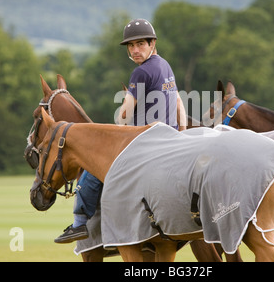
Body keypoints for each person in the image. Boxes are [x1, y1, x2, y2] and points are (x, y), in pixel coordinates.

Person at [54, 18, 186, 243]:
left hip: (145, 144)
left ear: (152, 43)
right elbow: (179, 105)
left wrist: (111, 138)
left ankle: (78, 224)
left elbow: (124, 115)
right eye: (131, 46)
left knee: (91, 172)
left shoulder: (141, 73)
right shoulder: (165, 65)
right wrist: (180, 132)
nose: (135, 50)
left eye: (140, 44)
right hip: (169, 140)